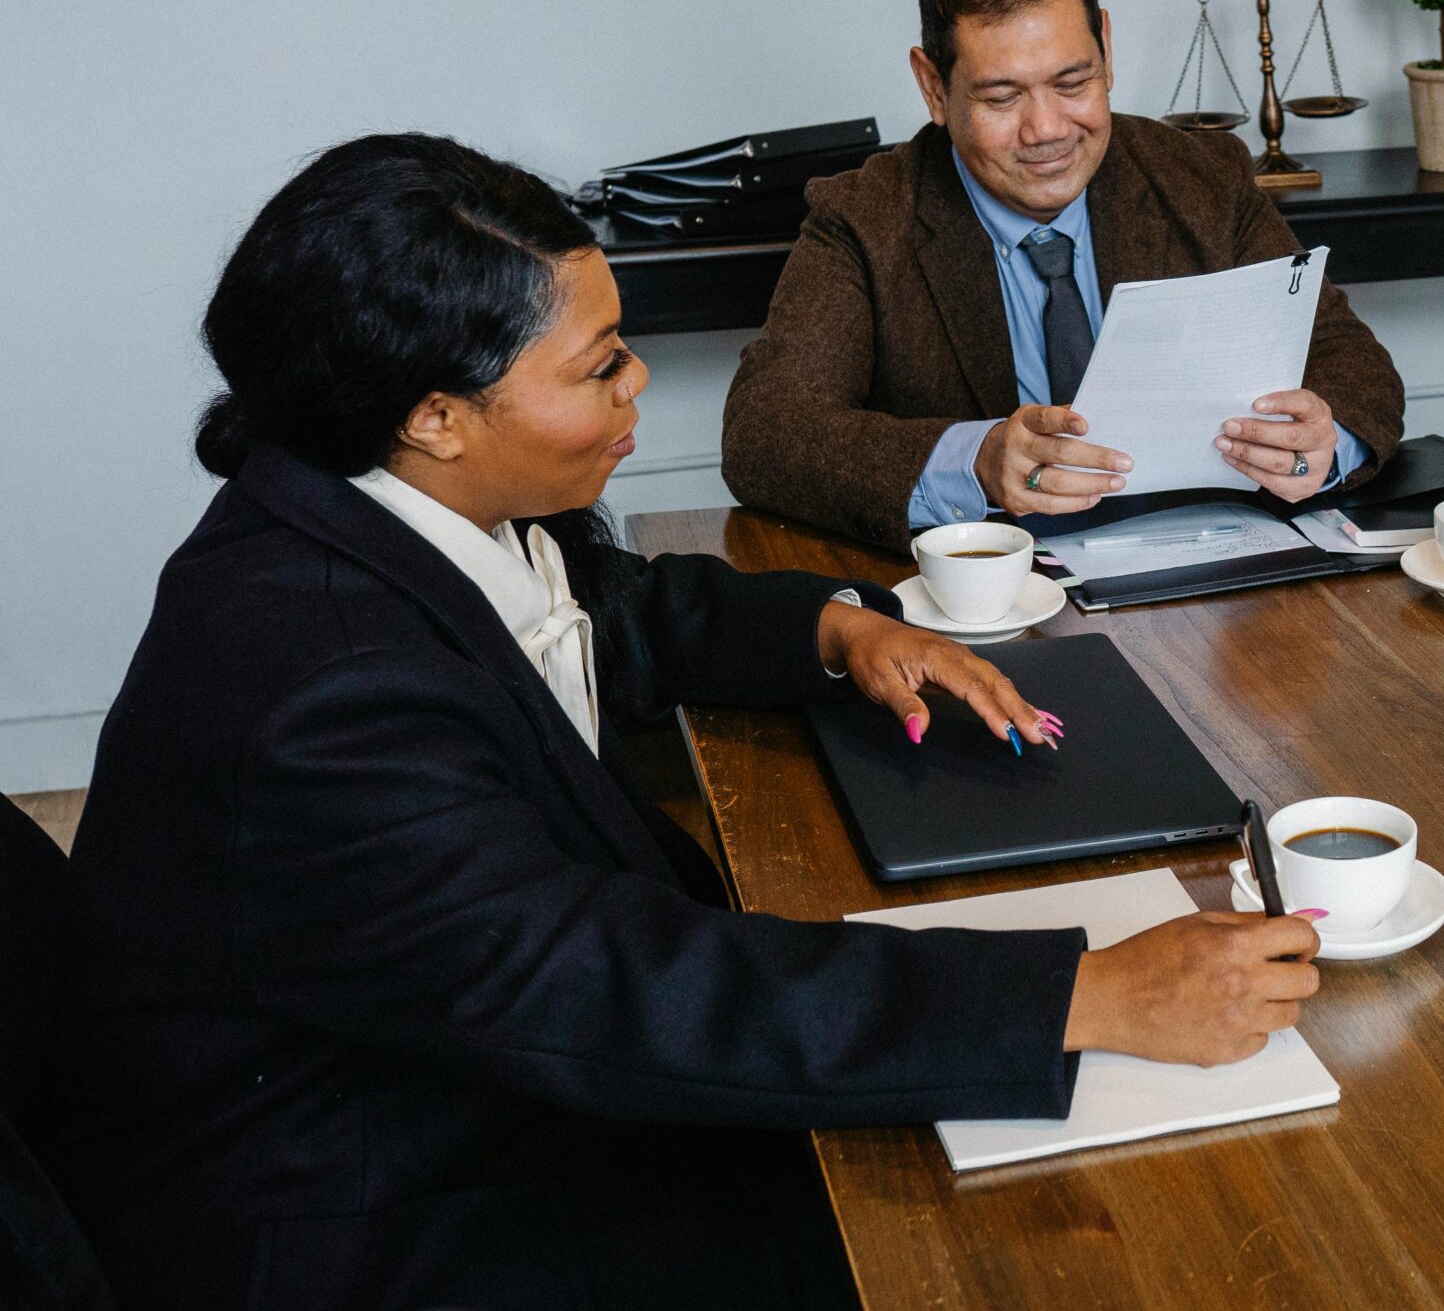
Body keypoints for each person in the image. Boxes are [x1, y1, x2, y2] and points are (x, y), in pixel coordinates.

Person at [44, 135, 1321, 1311]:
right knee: (1005, 1249)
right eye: (598, 367)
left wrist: (839, 626)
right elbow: (619, 988)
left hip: (443, 1090)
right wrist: (1077, 993)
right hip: (372, 1211)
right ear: (433, 413)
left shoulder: (386, 505)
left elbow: (620, 609)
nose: (639, 380)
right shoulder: (319, 690)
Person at [722, 0, 1406, 548]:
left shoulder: (1199, 176)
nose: (1047, 129)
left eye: (1073, 81)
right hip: (989, 605)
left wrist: (1326, 440)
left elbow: (1353, 363)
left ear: (1106, 46)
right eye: (1002, 97)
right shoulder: (866, 217)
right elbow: (764, 434)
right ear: (934, 89)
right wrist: (979, 459)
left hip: (1200, 580)